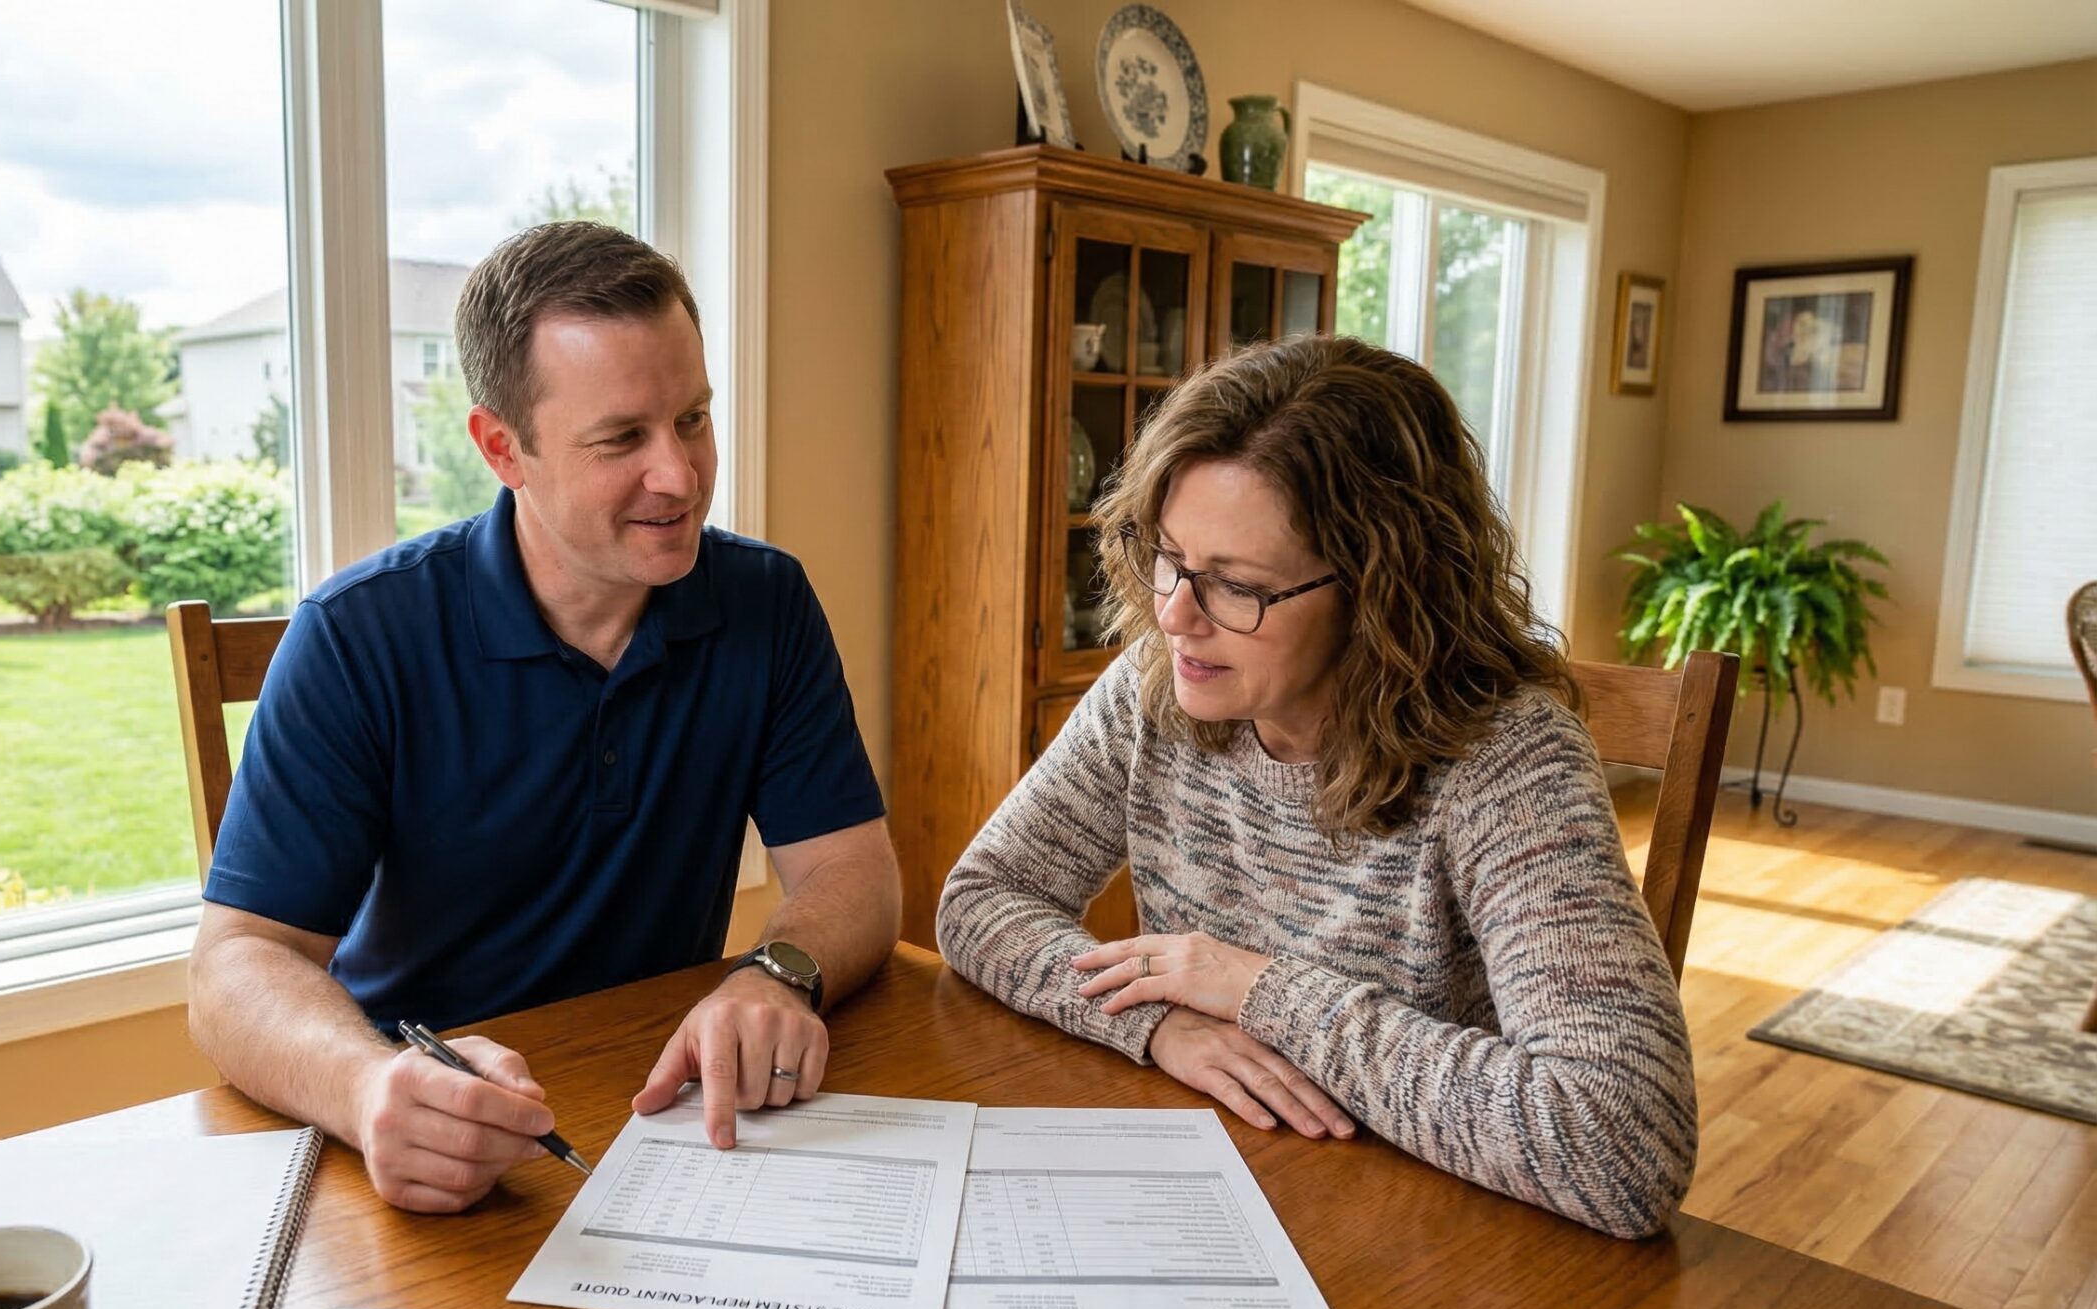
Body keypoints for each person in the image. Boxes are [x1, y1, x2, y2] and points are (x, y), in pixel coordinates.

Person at [190, 222, 899, 1213]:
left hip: (669, 1121)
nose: (681, 476)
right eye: (621, 438)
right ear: (500, 447)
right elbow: (236, 965)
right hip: (429, 1141)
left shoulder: (765, 602)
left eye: (693, 419)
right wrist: (365, 1086)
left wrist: (776, 973)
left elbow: (851, 870)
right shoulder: (357, 633)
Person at [937, 335, 1697, 1239]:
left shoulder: (1508, 762)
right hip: (1222, 1193)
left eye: (1237, 586)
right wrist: (1159, 1025)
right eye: (1171, 557)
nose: (1176, 615)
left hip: (1435, 1241)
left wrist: (1254, 988)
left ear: (1381, 591)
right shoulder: (1154, 689)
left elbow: (1623, 1145)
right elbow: (980, 900)